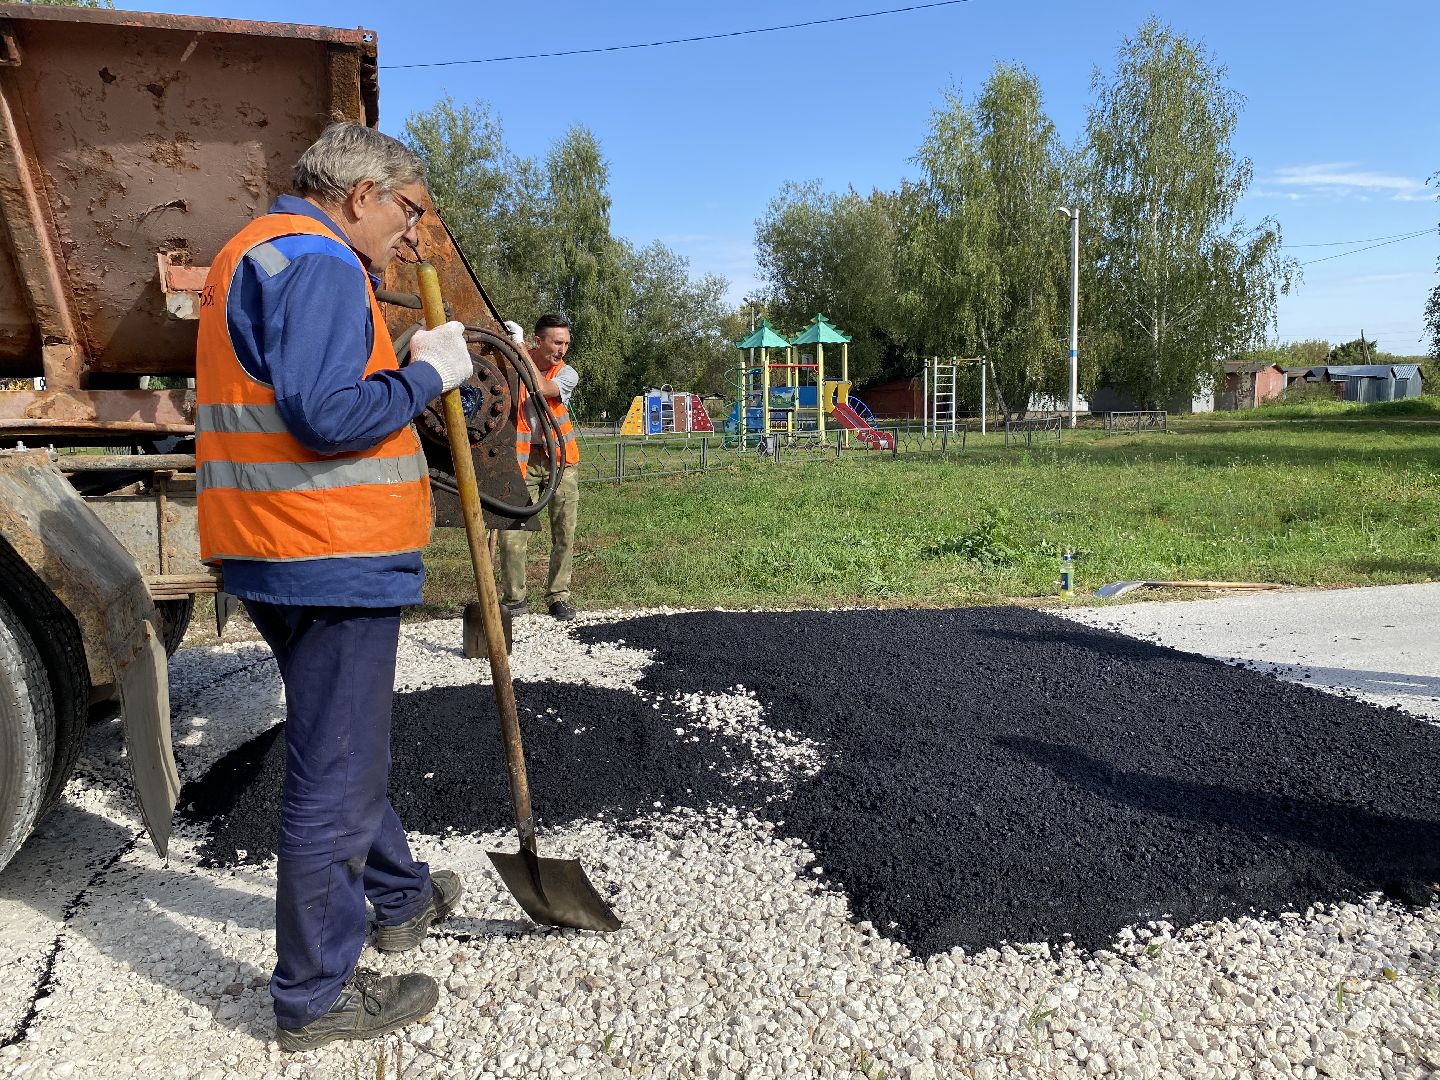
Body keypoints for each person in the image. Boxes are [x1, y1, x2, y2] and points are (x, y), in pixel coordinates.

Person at [194, 122, 477, 1051]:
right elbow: (325, 416)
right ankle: (315, 996)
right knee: (339, 772)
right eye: (406, 208)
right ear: (359, 194)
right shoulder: (318, 262)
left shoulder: (252, 249)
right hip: (329, 550)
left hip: (271, 546)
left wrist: (399, 364)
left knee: (337, 738)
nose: (411, 232)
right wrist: (427, 373)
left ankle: (397, 896)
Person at [497, 313, 581, 620]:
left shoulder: (567, 373)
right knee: (512, 531)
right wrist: (515, 347)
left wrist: (518, 345)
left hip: (561, 462)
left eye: (566, 343)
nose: (562, 349)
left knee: (564, 531)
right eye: (557, 342)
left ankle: (558, 596)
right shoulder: (513, 366)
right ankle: (514, 598)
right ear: (538, 340)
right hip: (523, 460)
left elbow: (542, 388)